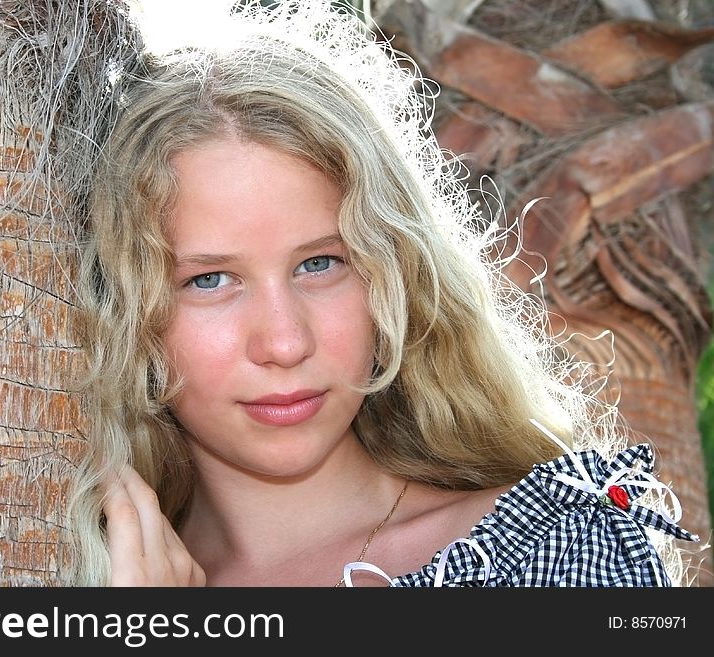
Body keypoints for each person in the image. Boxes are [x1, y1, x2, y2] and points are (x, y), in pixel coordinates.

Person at [65, 0, 699, 587]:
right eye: (209, 280)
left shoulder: (553, 552)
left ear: (395, 275)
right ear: (125, 309)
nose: (285, 342)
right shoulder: (45, 564)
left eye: (320, 264)